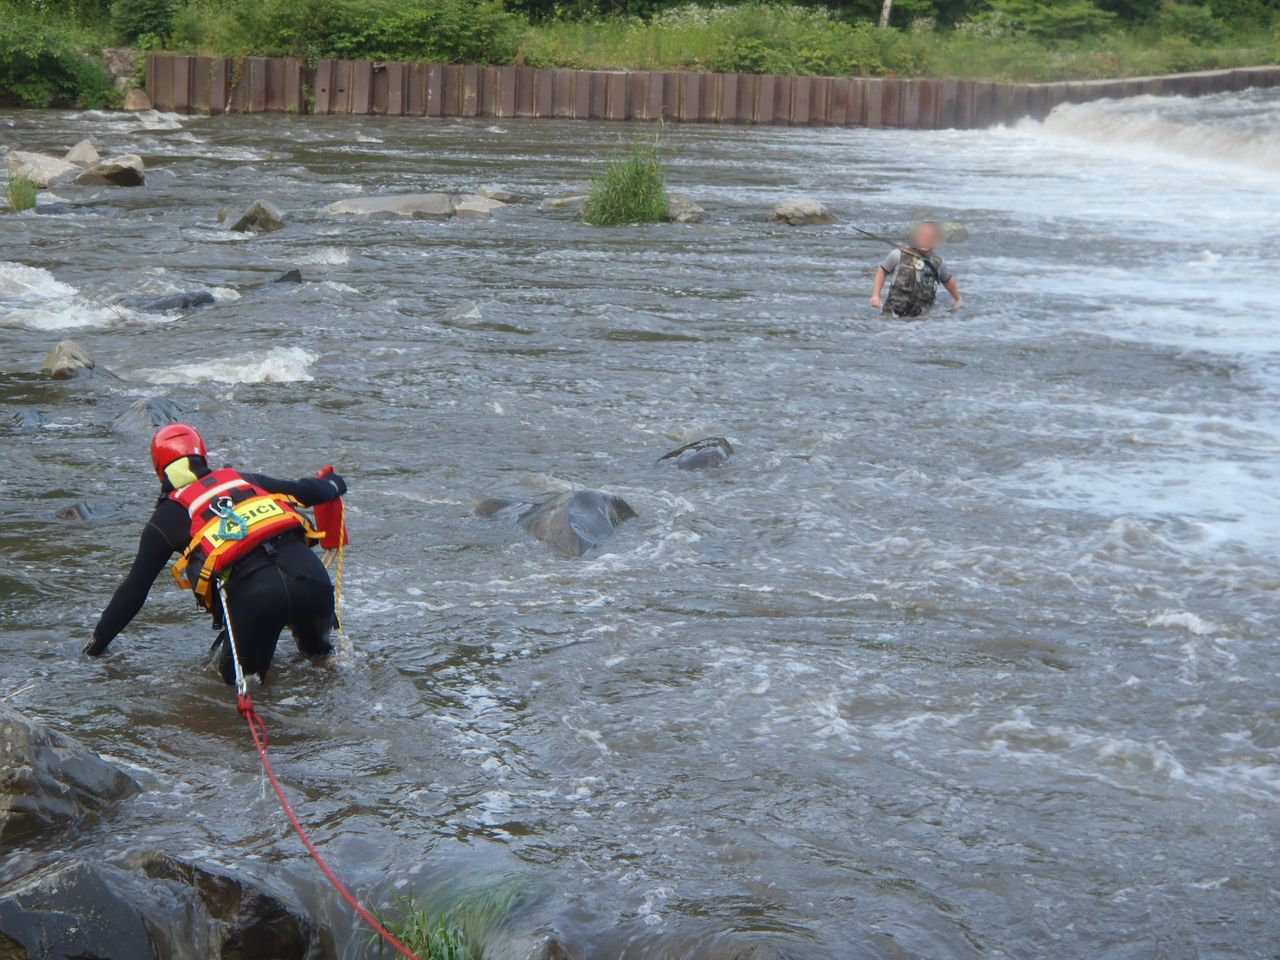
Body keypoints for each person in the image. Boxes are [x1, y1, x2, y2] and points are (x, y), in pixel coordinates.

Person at [85, 424, 348, 685]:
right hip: (313, 583)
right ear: (203, 457)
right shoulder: (242, 480)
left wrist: (93, 649)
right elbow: (310, 491)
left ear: (159, 471)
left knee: (234, 690)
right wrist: (334, 484)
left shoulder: (164, 519)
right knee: (322, 669)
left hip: (257, 601)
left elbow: (132, 592)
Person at [869, 221, 965, 318]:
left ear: (936, 241)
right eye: (922, 235)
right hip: (893, 317)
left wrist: (958, 299)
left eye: (929, 237)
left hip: (921, 323)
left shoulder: (939, 263)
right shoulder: (898, 255)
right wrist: (876, 295)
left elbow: (947, 280)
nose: (925, 239)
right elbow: (882, 272)